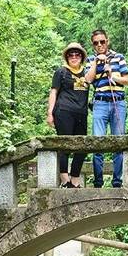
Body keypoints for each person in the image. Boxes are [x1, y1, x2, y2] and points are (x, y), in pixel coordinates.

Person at [84, 29, 128, 188]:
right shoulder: (90, 59)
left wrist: (112, 75)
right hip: (100, 103)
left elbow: (127, 80)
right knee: (98, 143)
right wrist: (97, 62)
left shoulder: (119, 57)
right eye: (96, 43)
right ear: (93, 45)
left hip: (118, 102)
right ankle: (98, 182)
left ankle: (117, 182)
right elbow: (88, 79)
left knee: (119, 142)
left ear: (107, 41)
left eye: (102, 41)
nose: (99, 45)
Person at [47, 42, 89, 188]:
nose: (74, 57)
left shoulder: (87, 73)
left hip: (81, 113)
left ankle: (75, 178)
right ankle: (65, 179)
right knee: (64, 144)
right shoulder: (61, 72)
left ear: (82, 57)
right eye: (71, 55)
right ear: (67, 57)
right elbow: (53, 92)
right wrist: (50, 113)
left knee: (82, 146)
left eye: (77, 54)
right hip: (63, 111)